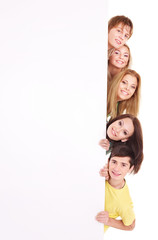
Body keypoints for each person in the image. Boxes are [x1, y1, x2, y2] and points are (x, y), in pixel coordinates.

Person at [95, 144, 139, 232]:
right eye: (114, 162)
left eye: (123, 165)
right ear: (108, 161)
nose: (116, 168)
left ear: (130, 169)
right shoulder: (102, 173)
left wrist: (108, 221)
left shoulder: (122, 201)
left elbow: (131, 225)